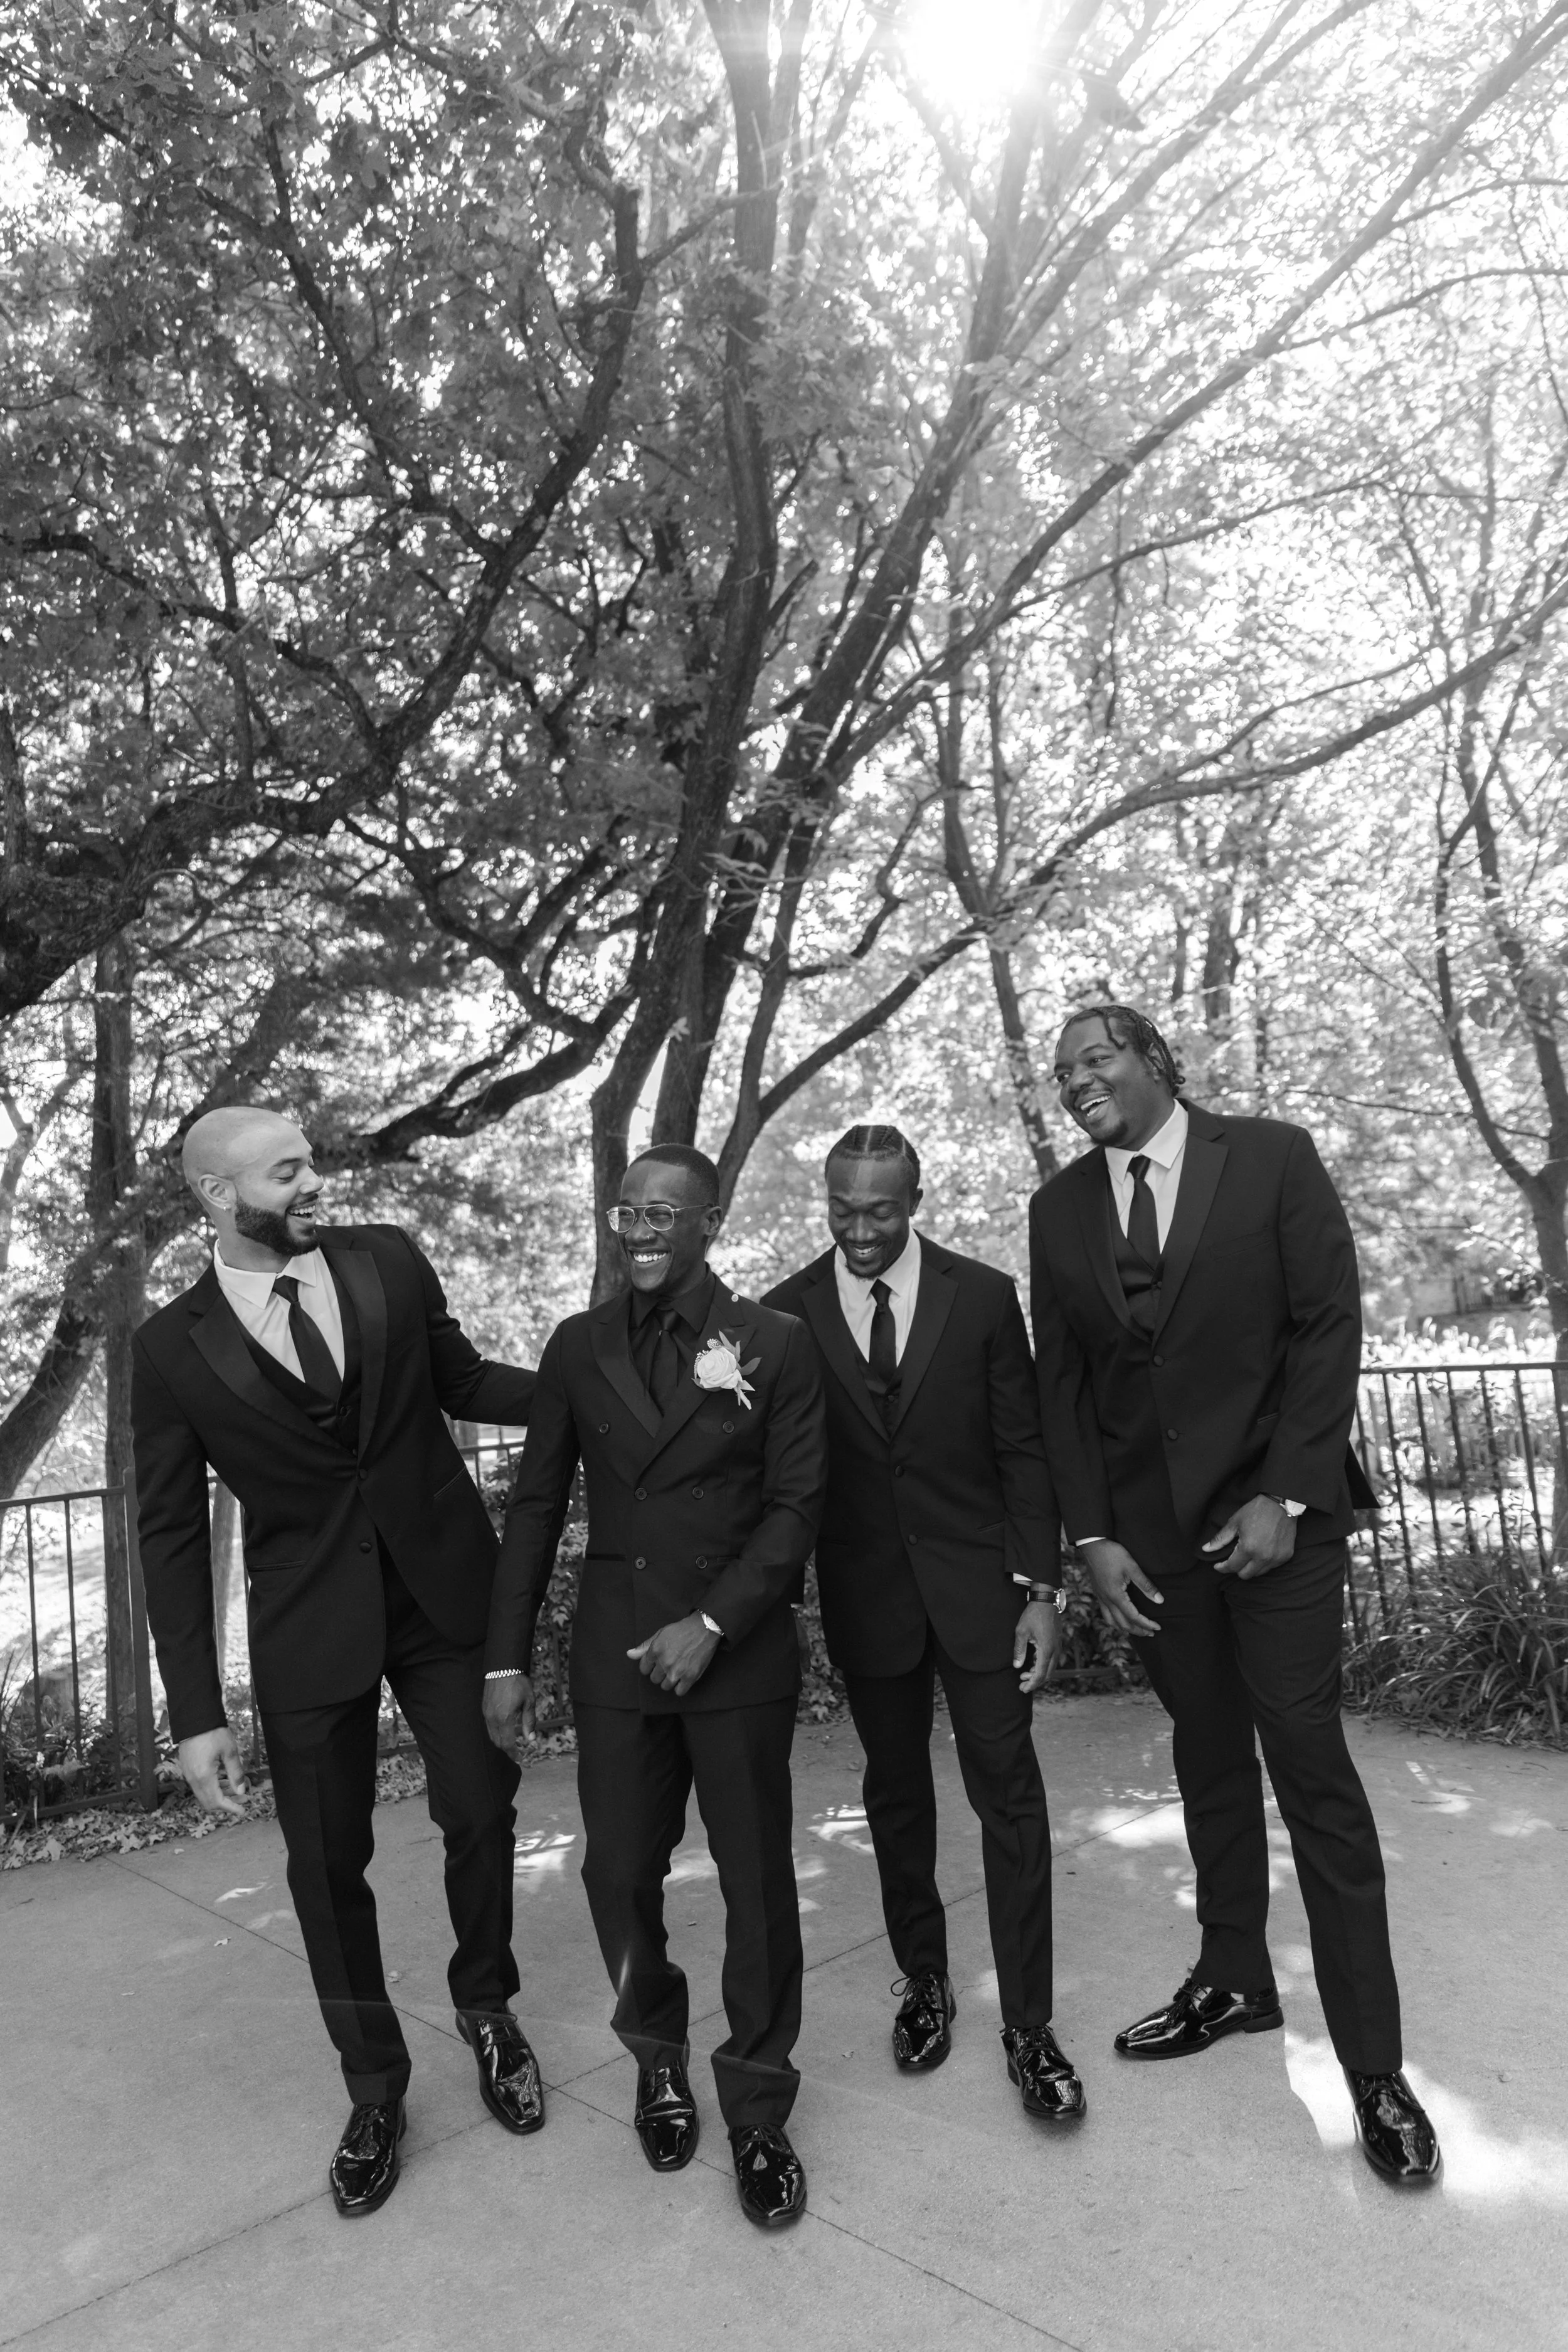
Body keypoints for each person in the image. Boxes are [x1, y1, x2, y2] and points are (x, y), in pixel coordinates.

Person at [1029, 1005, 1439, 2186]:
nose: (1076, 1080)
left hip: (1278, 1529)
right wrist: (1092, 1539)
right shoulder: (1059, 1208)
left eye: (1096, 1058)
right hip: (1150, 1549)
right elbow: (1066, 1384)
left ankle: (1374, 2069)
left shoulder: (1270, 1156)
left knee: (1309, 1766)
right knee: (1207, 1754)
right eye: (1061, 1071)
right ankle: (1234, 1980)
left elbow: (1327, 1324)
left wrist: (1287, 1493)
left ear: (1155, 1059)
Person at [133, 1106, 540, 2218]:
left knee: (482, 1812)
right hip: (310, 1627)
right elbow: (168, 1533)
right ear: (220, 1194)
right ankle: (374, 2088)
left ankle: (489, 2010)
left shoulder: (387, 1259)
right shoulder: (168, 1348)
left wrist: (598, 1383)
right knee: (324, 1866)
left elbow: (464, 1381)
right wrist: (195, 1710)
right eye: (289, 1171)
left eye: (312, 1161)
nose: (317, 1181)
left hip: (445, 1598)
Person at [482, 1146, 827, 2229]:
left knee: (755, 1882)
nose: (638, 1229)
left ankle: (759, 2108)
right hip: (617, 1659)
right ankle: (659, 2061)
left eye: (661, 1213)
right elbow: (536, 1507)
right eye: (625, 1211)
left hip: (736, 1656)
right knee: (618, 1873)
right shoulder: (576, 1346)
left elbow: (797, 1507)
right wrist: (504, 1657)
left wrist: (713, 1622)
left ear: (710, 1222)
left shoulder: (776, 1341)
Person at [765, 1125, 1085, 2124]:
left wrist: (1042, 1590)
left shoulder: (981, 1295)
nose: (859, 1229)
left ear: (915, 1199)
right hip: (868, 1598)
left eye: (880, 1209)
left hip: (983, 1593)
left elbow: (1023, 1448)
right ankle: (927, 1982)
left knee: (1011, 1798)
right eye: (842, 1208)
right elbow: (778, 1476)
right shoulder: (784, 1311)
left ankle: (1029, 2025)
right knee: (896, 1795)